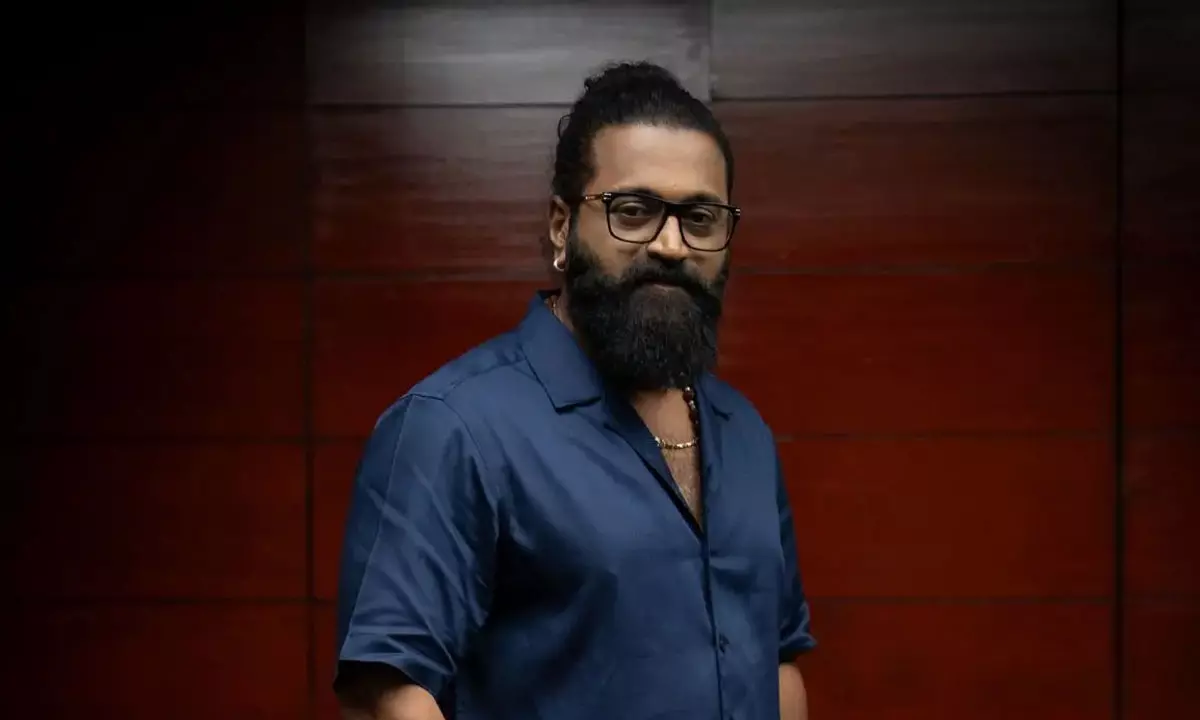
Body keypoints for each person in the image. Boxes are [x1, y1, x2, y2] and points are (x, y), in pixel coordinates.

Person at [333, 60, 816, 720]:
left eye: (700, 217)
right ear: (562, 226)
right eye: (633, 211)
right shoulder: (455, 427)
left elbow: (778, 660)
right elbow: (387, 694)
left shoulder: (744, 431)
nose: (671, 245)